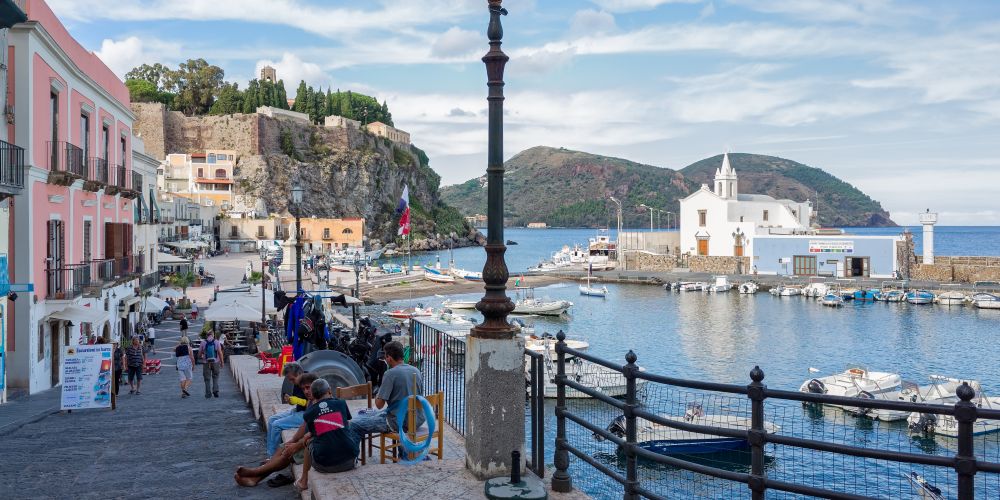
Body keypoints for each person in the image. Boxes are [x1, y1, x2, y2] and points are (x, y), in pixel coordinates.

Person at [235, 374, 319, 488]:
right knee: (282, 446)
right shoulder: (310, 401)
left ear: (316, 386)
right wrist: (293, 440)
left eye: (308, 387)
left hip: (314, 443)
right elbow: (304, 425)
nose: (306, 391)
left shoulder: (319, 404)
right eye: (303, 388)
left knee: (287, 455)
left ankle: (255, 472)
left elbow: (315, 433)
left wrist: (297, 445)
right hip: (306, 439)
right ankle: (255, 478)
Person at [348, 341, 423, 443]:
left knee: (354, 425)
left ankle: (352, 458)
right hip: (417, 419)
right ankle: (403, 451)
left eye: (385, 357)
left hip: (398, 422)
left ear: (389, 358)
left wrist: (380, 389)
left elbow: (379, 405)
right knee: (371, 416)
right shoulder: (416, 370)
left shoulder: (390, 374)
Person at [295, 379, 358, 489]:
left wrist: (310, 434)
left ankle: (303, 481)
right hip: (350, 462)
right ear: (329, 390)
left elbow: (314, 433)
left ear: (313, 395)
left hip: (325, 465)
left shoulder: (309, 412)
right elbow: (345, 423)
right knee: (348, 430)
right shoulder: (341, 403)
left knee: (308, 441)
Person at [265, 363, 306, 457]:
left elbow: (314, 403)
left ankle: (273, 457)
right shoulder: (297, 383)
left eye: (292, 379)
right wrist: (291, 400)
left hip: (307, 414)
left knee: (276, 425)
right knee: (271, 420)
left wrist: (299, 401)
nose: (291, 381)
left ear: (300, 374)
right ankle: (270, 453)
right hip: (299, 410)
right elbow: (298, 400)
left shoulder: (309, 381)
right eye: (289, 379)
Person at [200, 332, 225, 398]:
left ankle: (208, 394)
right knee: (216, 376)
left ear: (206, 336)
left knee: (207, 379)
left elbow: (199, 353)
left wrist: (202, 356)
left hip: (206, 362)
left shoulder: (203, 342)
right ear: (213, 335)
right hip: (215, 362)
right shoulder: (216, 342)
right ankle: (215, 390)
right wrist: (222, 362)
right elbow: (220, 352)